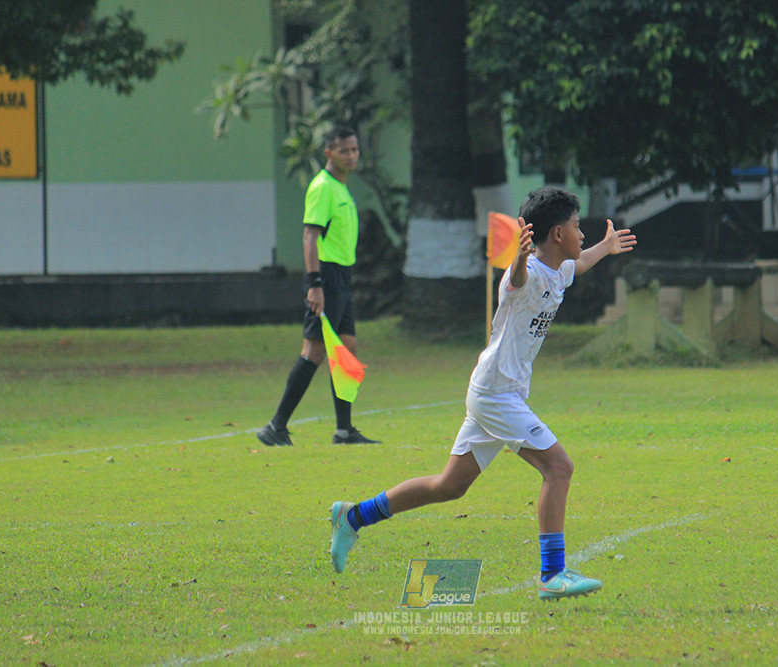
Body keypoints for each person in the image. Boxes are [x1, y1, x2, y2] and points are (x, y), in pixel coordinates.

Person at [328, 186, 637, 600]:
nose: (583, 233)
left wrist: (606, 245)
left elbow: (579, 264)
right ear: (557, 234)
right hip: (497, 395)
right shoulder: (520, 276)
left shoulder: (561, 267)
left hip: (497, 392)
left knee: (449, 486)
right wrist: (522, 256)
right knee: (559, 468)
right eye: (578, 226)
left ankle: (353, 517)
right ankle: (552, 574)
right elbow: (519, 276)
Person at [256, 127, 380, 447]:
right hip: (326, 277)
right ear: (329, 154)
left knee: (347, 349)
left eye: (354, 150)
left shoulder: (341, 187)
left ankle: (344, 430)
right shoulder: (323, 187)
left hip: (342, 279)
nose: (351, 156)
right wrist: (315, 285)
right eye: (344, 151)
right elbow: (310, 236)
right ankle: (275, 427)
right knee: (313, 352)